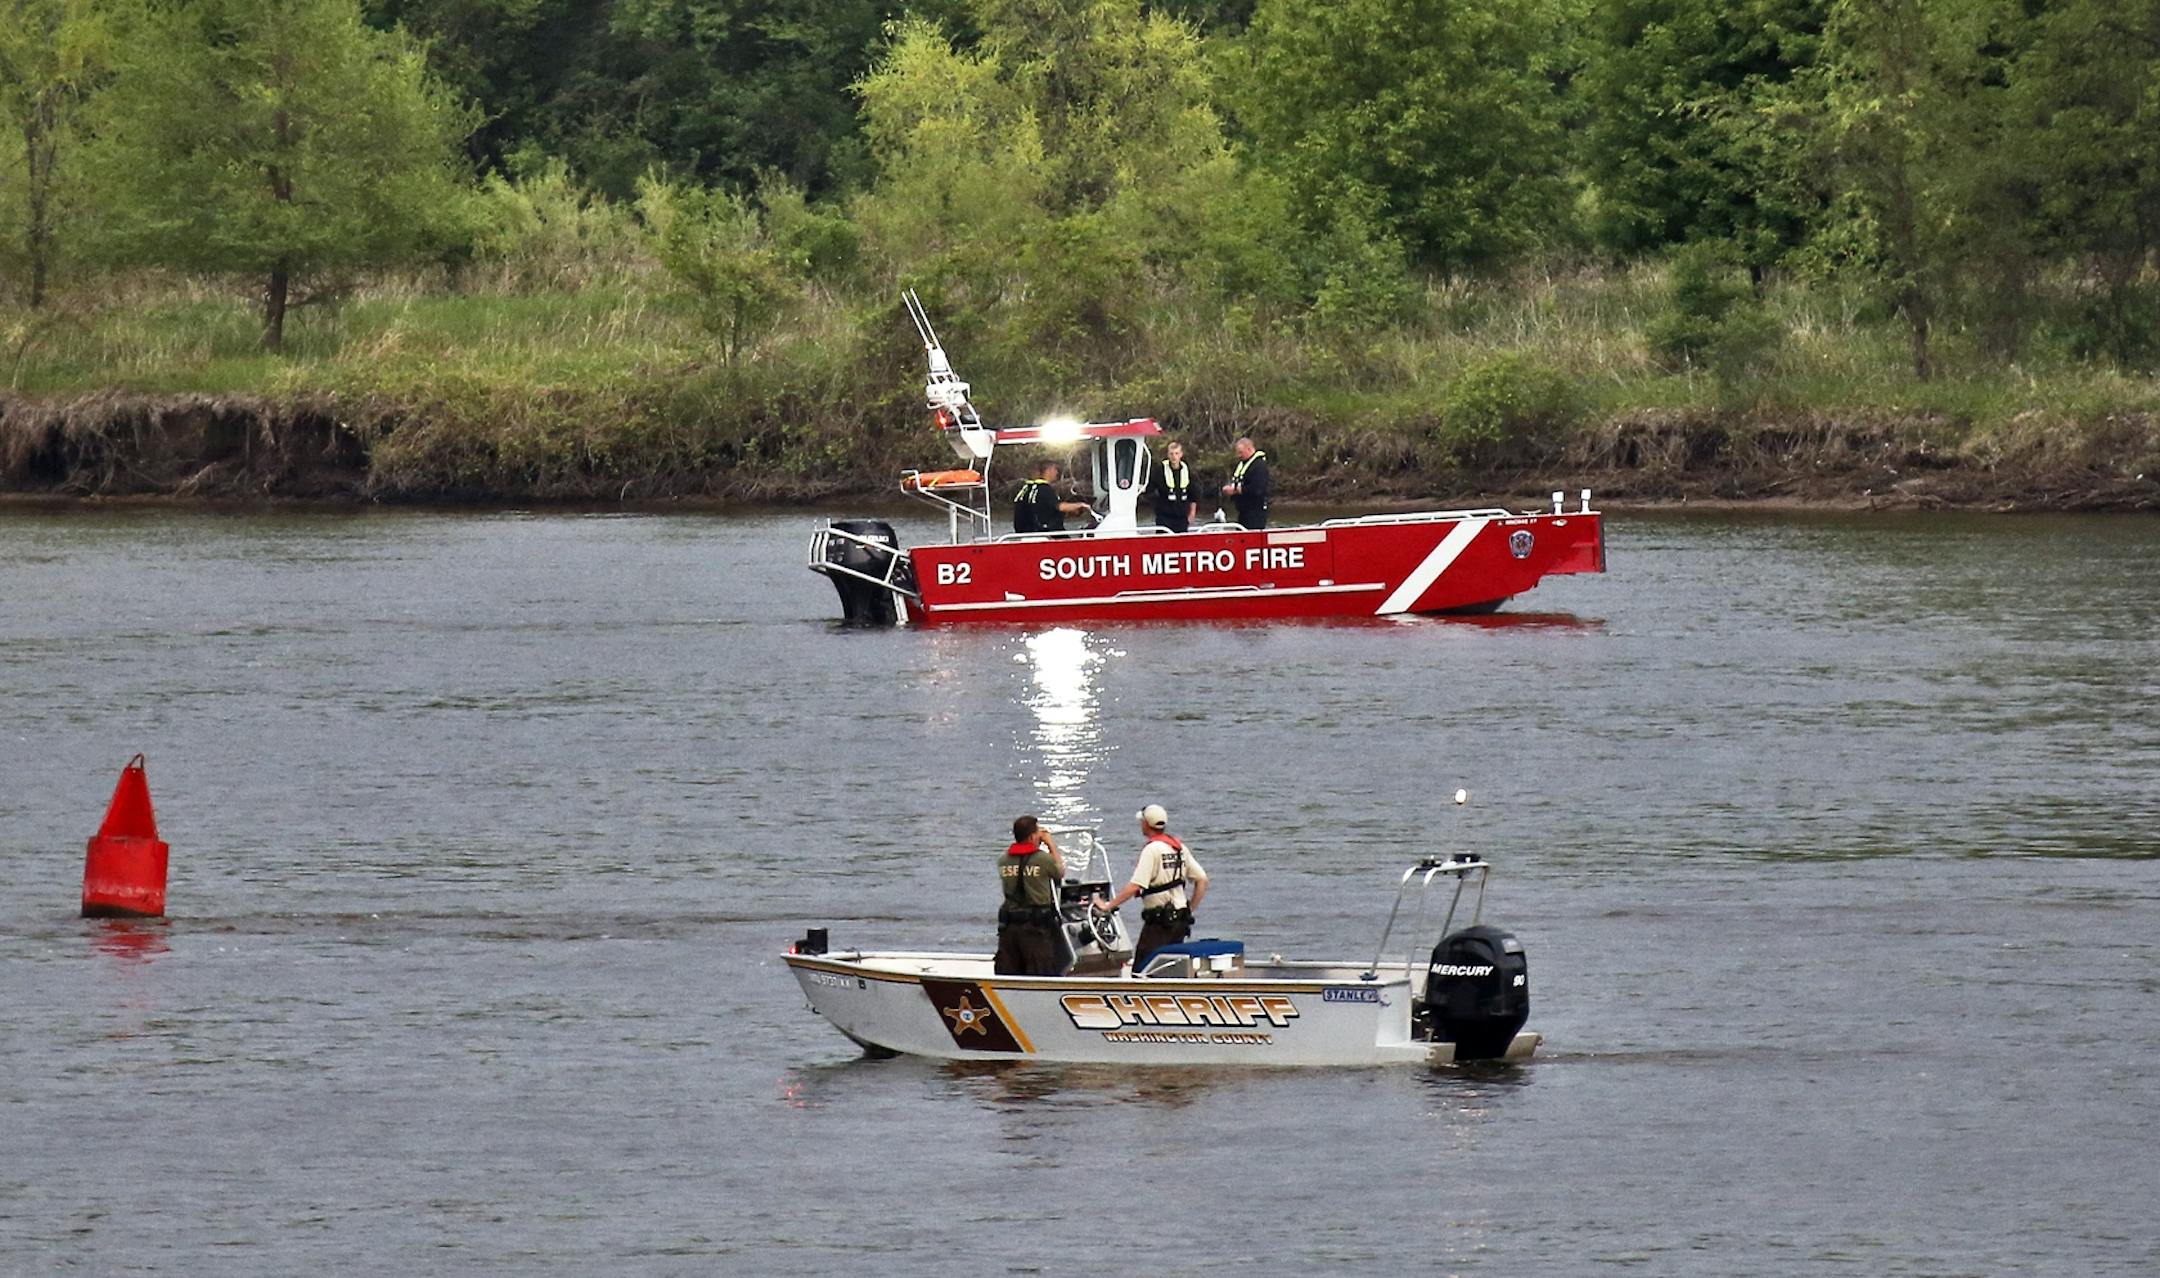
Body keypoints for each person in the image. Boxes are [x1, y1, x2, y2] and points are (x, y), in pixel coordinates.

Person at [1093, 804, 1208, 975]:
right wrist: (1190, 909)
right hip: (1180, 921)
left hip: (1159, 923)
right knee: (1170, 967)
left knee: (1142, 969)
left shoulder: (1151, 850)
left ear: (1146, 824)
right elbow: (1202, 880)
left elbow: (1135, 886)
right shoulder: (1178, 848)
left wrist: (1107, 906)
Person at [996, 815, 1067, 976]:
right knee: (1041, 971)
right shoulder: (1042, 859)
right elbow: (1059, 872)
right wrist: (1050, 844)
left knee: (1010, 972)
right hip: (1035, 929)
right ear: (1031, 836)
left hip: (1010, 928)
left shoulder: (1003, 860)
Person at [1013, 460, 1091, 534]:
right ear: (1048, 470)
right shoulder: (1043, 489)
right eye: (1055, 469)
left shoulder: (1027, 488)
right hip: (1045, 533)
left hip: (1027, 532)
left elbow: (1039, 509)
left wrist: (1072, 511)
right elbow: (1061, 507)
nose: (1057, 472)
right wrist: (1081, 505)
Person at [1220, 437, 1270, 530]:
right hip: (1243, 510)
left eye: (1241, 452)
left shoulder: (1259, 466)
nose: (1239, 455)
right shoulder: (1243, 464)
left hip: (1255, 511)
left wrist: (1236, 491)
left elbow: (1257, 489)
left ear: (1249, 449)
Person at [1150, 440, 1198, 532]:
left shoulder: (1187, 471)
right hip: (1164, 516)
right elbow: (1150, 488)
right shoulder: (1159, 471)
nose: (1174, 456)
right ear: (1168, 455)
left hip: (1182, 517)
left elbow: (1193, 494)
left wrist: (1192, 513)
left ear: (1181, 454)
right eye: (1171, 454)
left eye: (1176, 453)